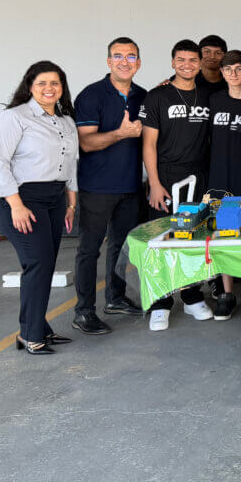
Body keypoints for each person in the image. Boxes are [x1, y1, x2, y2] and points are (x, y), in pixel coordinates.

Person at [0, 61, 79, 355]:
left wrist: (71, 202)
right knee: (37, 263)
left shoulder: (66, 121)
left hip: (55, 198)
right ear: (29, 86)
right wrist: (15, 205)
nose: (48, 88)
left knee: (46, 264)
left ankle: (38, 326)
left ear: (62, 87)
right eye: (41, 83)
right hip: (21, 198)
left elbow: (71, 164)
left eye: (55, 83)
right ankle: (29, 334)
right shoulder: (14, 117)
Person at [71, 38, 147, 336]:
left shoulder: (143, 95)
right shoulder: (91, 95)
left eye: (131, 56)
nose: (124, 62)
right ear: (108, 61)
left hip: (130, 185)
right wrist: (120, 133)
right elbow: (86, 142)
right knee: (89, 250)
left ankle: (115, 298)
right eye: (118, 56)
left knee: (121, 246)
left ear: (138, 62)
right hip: (97, 187)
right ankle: (83, 311)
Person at [140, 39, 213, 331]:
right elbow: (148, 144)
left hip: (199, 176)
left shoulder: (207, 95)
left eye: (192, 60)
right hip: (166, 176)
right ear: (172, 63)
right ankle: (160, 303)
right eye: (181, 60)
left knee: (193, 237)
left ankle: (192, 296)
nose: (187, 65)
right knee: (163, 239)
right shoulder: (157, 96)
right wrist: (154, 183)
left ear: (200, 64)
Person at [208, 50, 241, 322]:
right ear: (222, 72)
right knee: (224, 233)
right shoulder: (214, 100)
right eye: (228, 69)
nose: (234, 74)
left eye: (239, 68)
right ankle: (226, 294)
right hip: (219, 176)